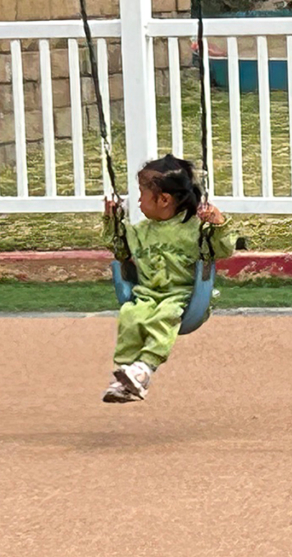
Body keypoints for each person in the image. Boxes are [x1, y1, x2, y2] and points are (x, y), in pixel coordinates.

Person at [101, 154, 236, 403]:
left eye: (142, 194)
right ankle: (125, 373)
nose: (138, 201)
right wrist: (112, 221)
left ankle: (144, 370)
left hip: (183, 296)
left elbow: (224, 249)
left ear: (164, 199)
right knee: (131, 316)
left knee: (163, 317)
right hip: (148, 293)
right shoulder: (140, 232)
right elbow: (118, 248)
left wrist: (218, 225)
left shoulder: (195, 228)